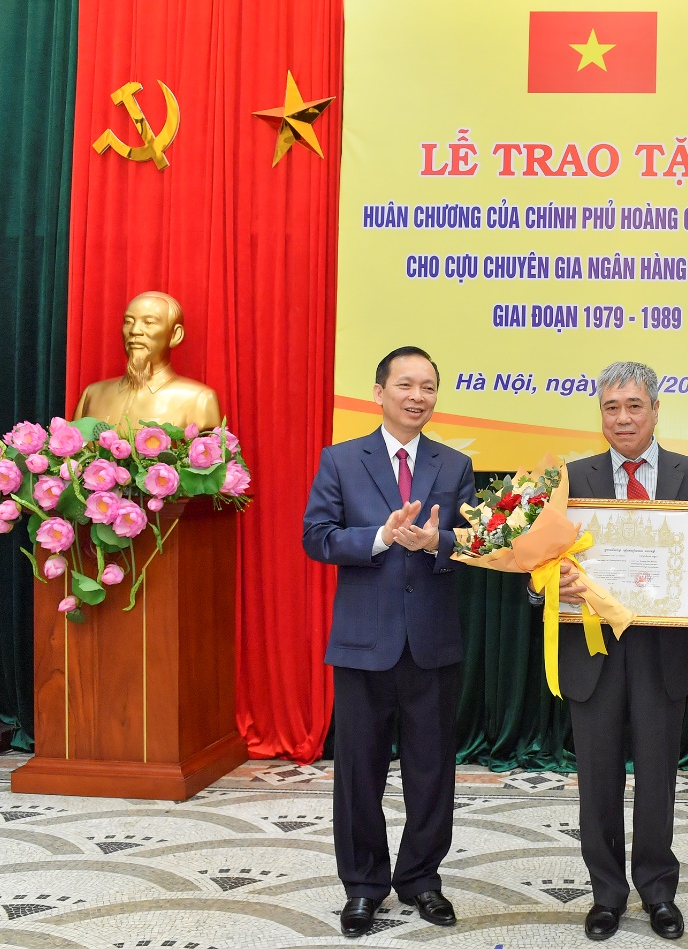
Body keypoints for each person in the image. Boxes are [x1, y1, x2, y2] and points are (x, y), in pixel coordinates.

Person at [543, 360, 688, 941]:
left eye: (635, 406)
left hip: (664, 654)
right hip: (593, 653)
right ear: (600, 415)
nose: (623, 418)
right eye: (611, 407)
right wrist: (551, 586)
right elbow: (541, 564)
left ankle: (658, 892)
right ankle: (606, 894)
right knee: (596, 780)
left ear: (656, 410)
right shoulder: (572, 478)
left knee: (658, 779)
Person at [302, 346, 476, 938]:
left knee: (433, 771)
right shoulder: (340, 460)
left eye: (428, 386)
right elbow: (317, 537)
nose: (417, 396)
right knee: (359, 771)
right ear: (379, 392)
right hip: (362, 643)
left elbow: (475, 543)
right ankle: (363, 886)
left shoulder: (454, 465)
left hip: (432, 641)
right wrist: (379, 537)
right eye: (406, 385)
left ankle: (422, 879)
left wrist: (436, 544)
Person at [73, 290, 223, 430]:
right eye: (128, 322)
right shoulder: (92, 395)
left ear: (175, 335)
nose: (134, 331)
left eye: (149, 322)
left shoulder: (199, 400)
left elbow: (210, 447)